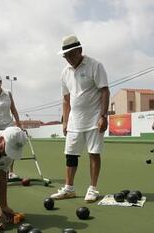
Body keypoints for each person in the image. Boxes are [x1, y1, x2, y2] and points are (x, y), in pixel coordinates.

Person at [50, 34, 110, 203]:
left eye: (71, 54)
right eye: (65, 56)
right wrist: (65, 120)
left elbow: (105, 91)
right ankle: (69, 188)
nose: (68, 59)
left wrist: (103, 116)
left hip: (94, 118)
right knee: (70, 154)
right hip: (75, 120)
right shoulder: (65, 73)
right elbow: (66, 99)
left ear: (80, 50)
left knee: (94, 153)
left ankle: (92, 188)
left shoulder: (95, 66)